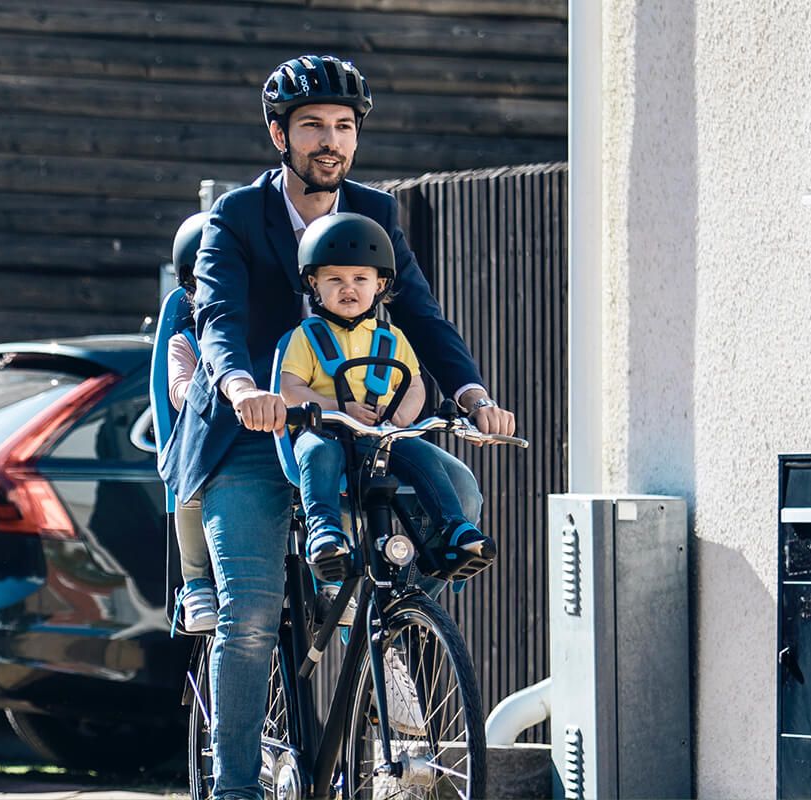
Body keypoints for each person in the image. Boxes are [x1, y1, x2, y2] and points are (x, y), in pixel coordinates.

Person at [157, 54, 517, 800]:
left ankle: (391, 632)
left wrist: (473, 393)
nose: (331, 140)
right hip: (253, 432)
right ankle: (236, 789)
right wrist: (240, 385)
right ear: (278, 135)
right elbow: (218, 316)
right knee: (251, 618)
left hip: (354, 427)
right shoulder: (234, 215)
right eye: (313, 125)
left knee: (453, 494)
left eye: (344, 127)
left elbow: (420, 313)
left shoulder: (373, 213)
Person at [278, 212, 492, 586]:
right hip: (329, 432)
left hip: (381, 438)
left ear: (380, 285)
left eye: (360, 279)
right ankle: (325, 533)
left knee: (423, 456)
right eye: (335, 280)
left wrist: (401, 421)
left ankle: (454, 529)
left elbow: (413, 386)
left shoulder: (392, 338)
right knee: (315, 453)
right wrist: (336, 408)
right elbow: (290, 387)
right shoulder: (306, 336)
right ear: (314, 283)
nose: (349, 288)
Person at [163, 214, 214, 633]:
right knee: (190, 485)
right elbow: (178, 390)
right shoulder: (185, 341)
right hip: (204, 434)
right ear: (189, 289)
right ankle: (196, 582)